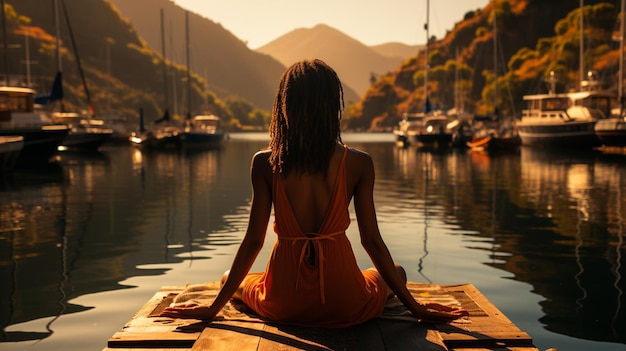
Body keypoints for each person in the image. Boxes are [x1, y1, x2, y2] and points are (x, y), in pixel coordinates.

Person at [160, 59, 468, 326]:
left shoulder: (265, 163)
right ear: (332, 105)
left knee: (229, 277)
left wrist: (213, 309)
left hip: (284, 303)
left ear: (286, 105)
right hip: (345, 303)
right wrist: (415, 308)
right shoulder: (359, 163)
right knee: (396, 272)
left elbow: (254, 240)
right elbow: (371, 241)